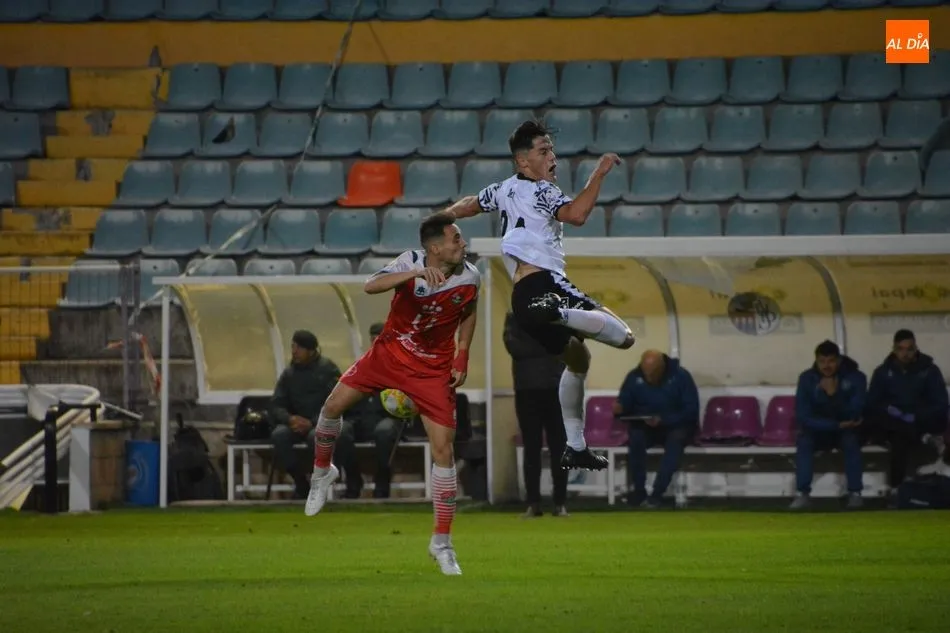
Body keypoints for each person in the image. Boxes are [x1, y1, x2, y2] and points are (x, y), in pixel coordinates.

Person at [447, 119, 635, 473]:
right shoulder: (544, 191)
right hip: (546, 285)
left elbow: (473, 203)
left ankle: (576, 447)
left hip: (523, 300)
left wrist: (443, 215)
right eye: (544, 151)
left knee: (578, 360)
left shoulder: (503, 189)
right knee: (625, 337)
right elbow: (577, 214)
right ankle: (558, 312)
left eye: (552, 150)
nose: (553, 157)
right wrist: (600, 172)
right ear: (523, 162)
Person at [304, 210, 479, 577]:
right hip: (388, 355)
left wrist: (462, 356)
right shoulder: (410, 262)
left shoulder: (470, 277)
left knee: (444, 451)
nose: (462, 244)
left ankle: (442, 544)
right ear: (434, 248)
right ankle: (323, 472)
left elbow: (468, 313)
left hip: (433, 371)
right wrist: (414, 274)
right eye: (456, 239)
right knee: (331, 407)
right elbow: (370, 285)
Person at [864, 329, 948, 500]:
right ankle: (925, 438)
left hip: (920, 421)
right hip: (894, 424)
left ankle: (897, 487)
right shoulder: (882, 372)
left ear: (916, 348)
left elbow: (940, 404)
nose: (905, 353)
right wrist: (889, 409)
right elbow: (872, 403)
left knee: (901, 435)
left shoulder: (929, 371)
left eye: (909, 349)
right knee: (897, 431)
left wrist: (916, 416)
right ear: (894, 349)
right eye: (901, 349)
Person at [503, 311, 569, 518]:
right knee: (531, 447)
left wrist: (534, 345)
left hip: (556, 388)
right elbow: (515, 348)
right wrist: (546, 346)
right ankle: (534, 503)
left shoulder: (560, 315)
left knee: (559, 447)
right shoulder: (515, 316)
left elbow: (564, 347)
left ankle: (560, 503)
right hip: (527, 390)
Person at [614, 350, 699, 508]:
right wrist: (621, 407)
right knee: (636, 438)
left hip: (676, 426)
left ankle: (657, 493)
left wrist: (665, 420)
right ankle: (639, 492)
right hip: (646, 426)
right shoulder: (634, 377)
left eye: (652, 373)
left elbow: (691, 411)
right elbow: (626, 401)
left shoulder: (681, 377)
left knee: (676, 441)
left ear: (662, 367)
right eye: (645, 372)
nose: (648, 377)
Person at [790, 340, 867, 510]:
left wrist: (833, 396)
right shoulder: (807, 378)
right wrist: (836, 424)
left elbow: (855, 411)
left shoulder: (856, 377)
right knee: (804, 441)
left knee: (851, 441)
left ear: (839, 360)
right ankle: (802, 493)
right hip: (820, 430)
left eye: (831, 361)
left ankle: (855, 493)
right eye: (822, 361)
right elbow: (803, 416)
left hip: (846, 430)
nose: (826, 366)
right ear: (816, 361)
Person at [333, 322, 404, 500]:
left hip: (389, 419)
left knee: (384, 431)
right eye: (373, 339)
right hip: (360, 418)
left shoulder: (401, 367)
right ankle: (353, 480)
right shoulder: (360, 366)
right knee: (341, 430)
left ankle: (382, 483)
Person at [269, 330, 342, 498]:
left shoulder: (328, 370)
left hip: (320, 424)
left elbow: (336, 402)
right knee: (279, 435)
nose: (294, 352)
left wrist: (313, 422)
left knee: (315, 438)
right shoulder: (289, 374)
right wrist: (290, 419)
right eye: (293, 347)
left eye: (298, 348)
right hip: (295, 425)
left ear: (311, 350)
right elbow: (276, 404)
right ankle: (300, 482)